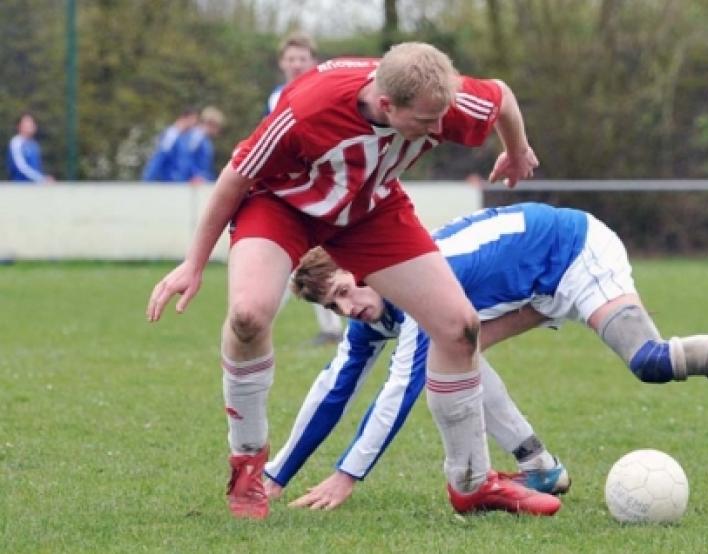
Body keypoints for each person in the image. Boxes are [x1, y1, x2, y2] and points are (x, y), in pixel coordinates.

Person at [145, 42, 550, 520]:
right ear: (386, 106)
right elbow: (236, 176)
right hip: (281, 206)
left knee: (459, 327)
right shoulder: (306, 110)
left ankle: (471, 483)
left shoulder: (439, 98)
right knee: (248, 316)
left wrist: (517, 149)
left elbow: (500, 96)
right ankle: (248, 464)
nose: (439, 129)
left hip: (369, 210)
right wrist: (194, 263)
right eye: (425, 122)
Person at [269, 202, 708, 511]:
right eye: (333, 304)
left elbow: (395, 391)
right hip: (531, 285)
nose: (348, 307)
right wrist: (273, 478)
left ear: (364, 267)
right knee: (458, 360)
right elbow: (334, 388)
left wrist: (346, 477)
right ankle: (540, 466)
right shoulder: (376, 302)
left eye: (346, 289)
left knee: (649, 360)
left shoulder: (419, 280)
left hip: (572, 251)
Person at [267, 32, 345, 346]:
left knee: (311, 257)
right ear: (282, 63)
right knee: (303, 257)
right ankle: (331, 326)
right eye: (291, 59)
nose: (296, 64)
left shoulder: (326, 89)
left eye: (302, 58)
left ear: (313, 61)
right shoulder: (276, 98)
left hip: (328, 186)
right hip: (297, 189)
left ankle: (261, 318)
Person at [142, 108, 198, 183]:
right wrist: (147, 180)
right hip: (170, 183)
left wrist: (195, 175)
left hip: (181, 182)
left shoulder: (185, 137)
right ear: (184, 118)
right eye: (192, 120)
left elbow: (186, 160)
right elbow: (159, 158)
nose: (194, 124)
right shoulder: (171, 135)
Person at [177, 106, 225, 183]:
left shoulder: (205, 140)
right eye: (217, 127)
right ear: (211, 124)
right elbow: (186, 158)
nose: (218, 131)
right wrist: (194, 175)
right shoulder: (197, 137)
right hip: (192, 182)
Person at [6, 113, 53, 183]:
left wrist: (42, 179)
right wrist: (41, 178)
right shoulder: (16, 143)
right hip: (19, 186)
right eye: (26, 123)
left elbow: (37, 168)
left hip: (34, 187)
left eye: (31, 123)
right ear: (19, 126)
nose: (29, 126)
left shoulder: (34, 144)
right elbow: (21, 167)